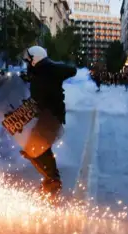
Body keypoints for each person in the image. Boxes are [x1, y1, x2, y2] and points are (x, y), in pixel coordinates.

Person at [21, 45, 76, 197]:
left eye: (29, 60)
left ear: (36, 58)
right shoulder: (38, 72)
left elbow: (71, 70)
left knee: (36, 148)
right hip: (46, 115)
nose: (27, 64)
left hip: (51, 116)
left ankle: (53, 179)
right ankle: (51, 179)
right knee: (36, 149)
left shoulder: (48, 69)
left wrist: (53, 65)